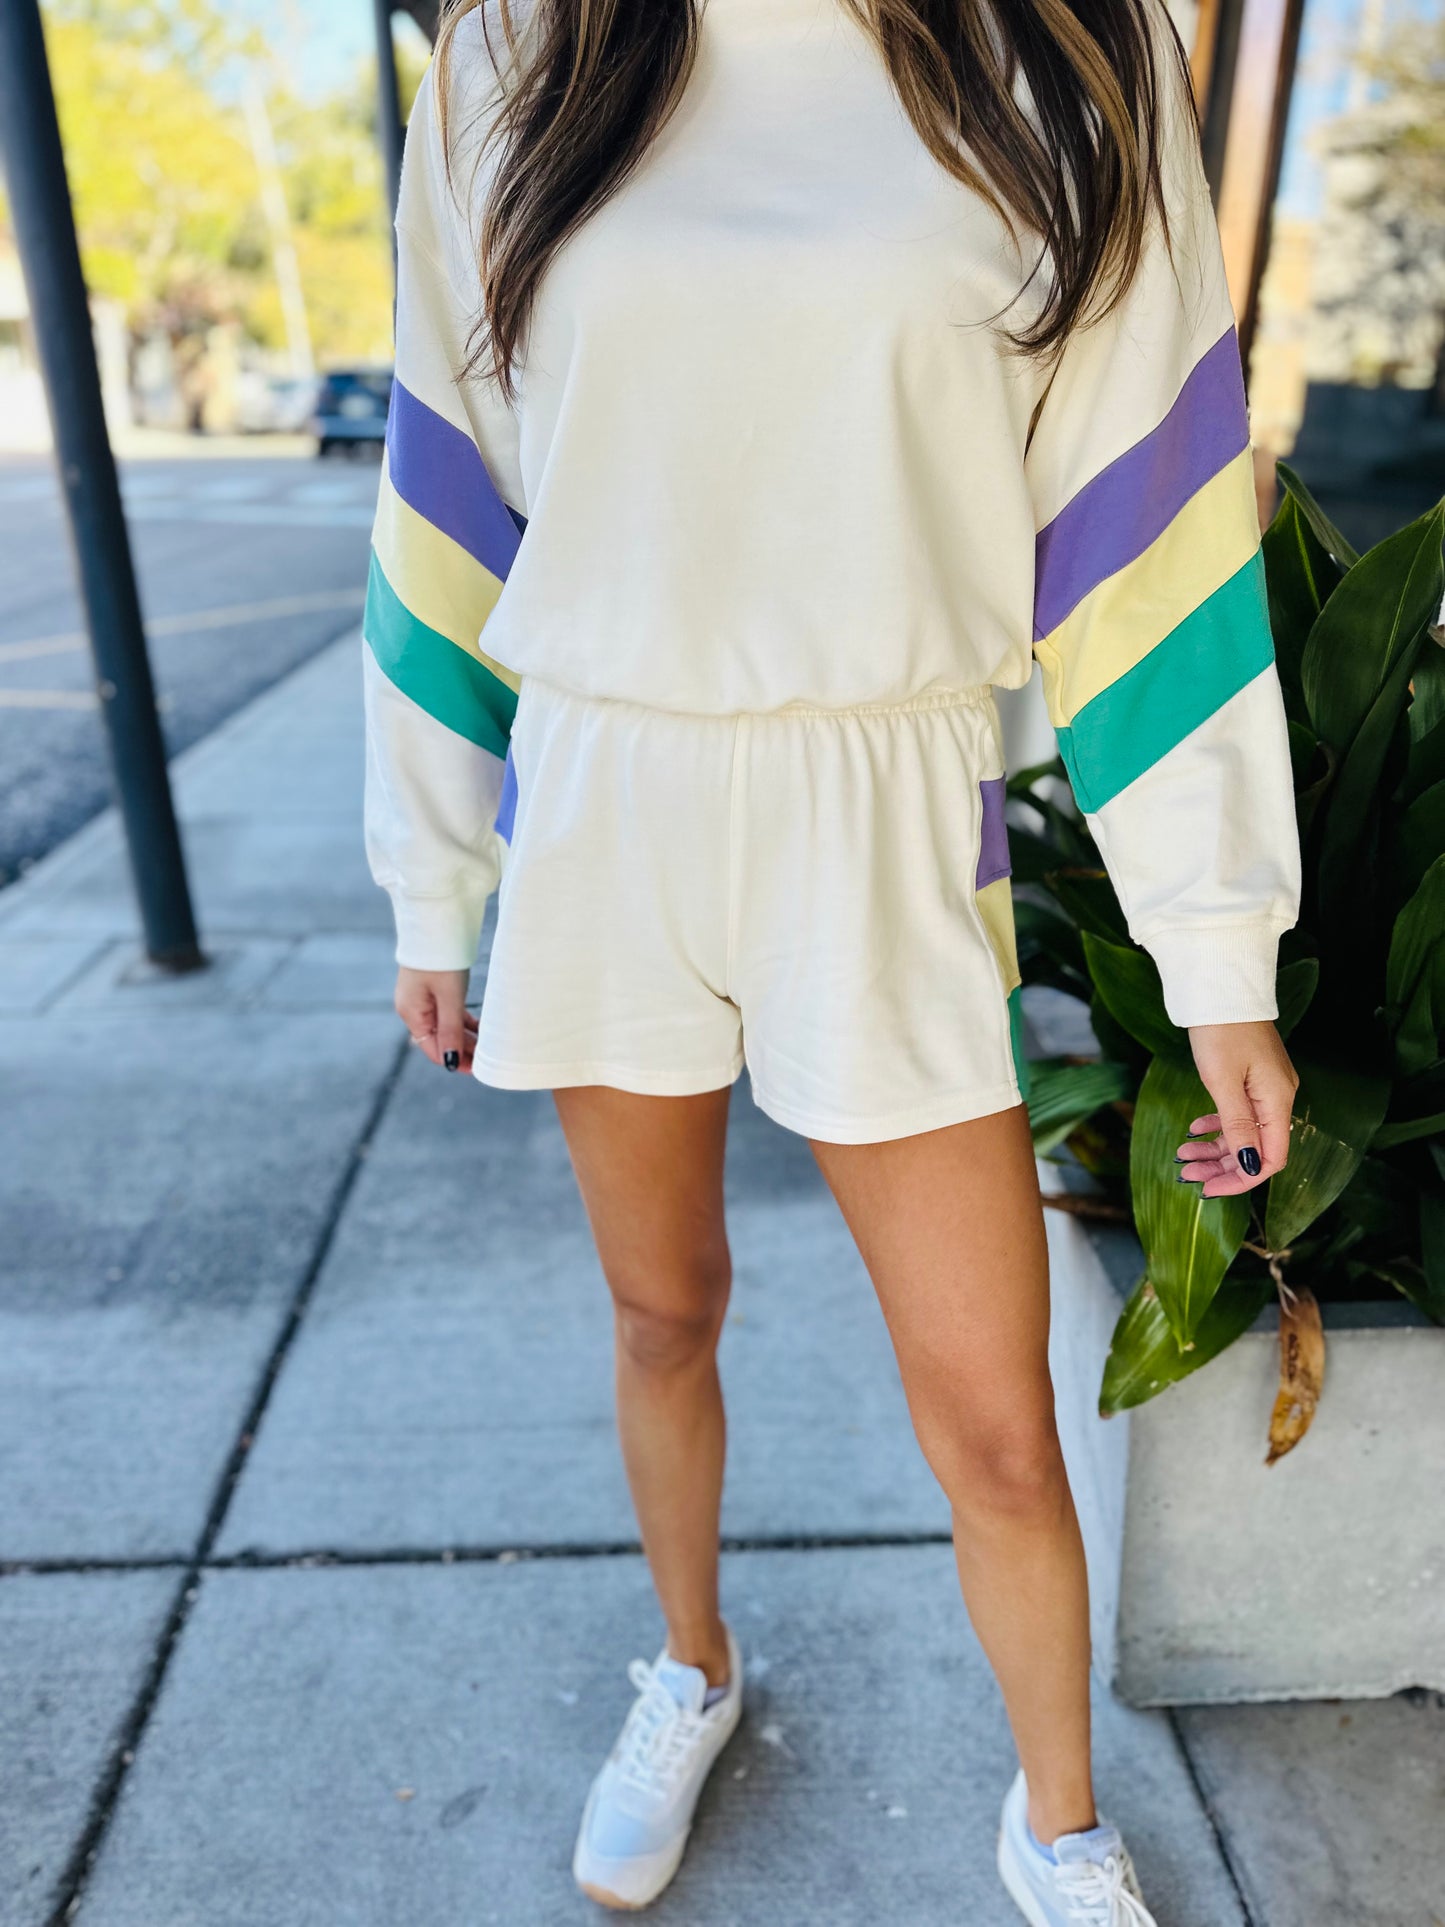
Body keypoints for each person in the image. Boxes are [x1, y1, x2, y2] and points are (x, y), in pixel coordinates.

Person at [362, 0, 1302, 1918]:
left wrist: (1218, 955)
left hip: (883, 806)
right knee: (661, 1314)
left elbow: (1151, 530)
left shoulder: (1068, 53)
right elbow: (446, 485)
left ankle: (1055, 1825)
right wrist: (431, 876)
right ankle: (689, 1669)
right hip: (605, 795)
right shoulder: (517, 53)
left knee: (994, 1425)